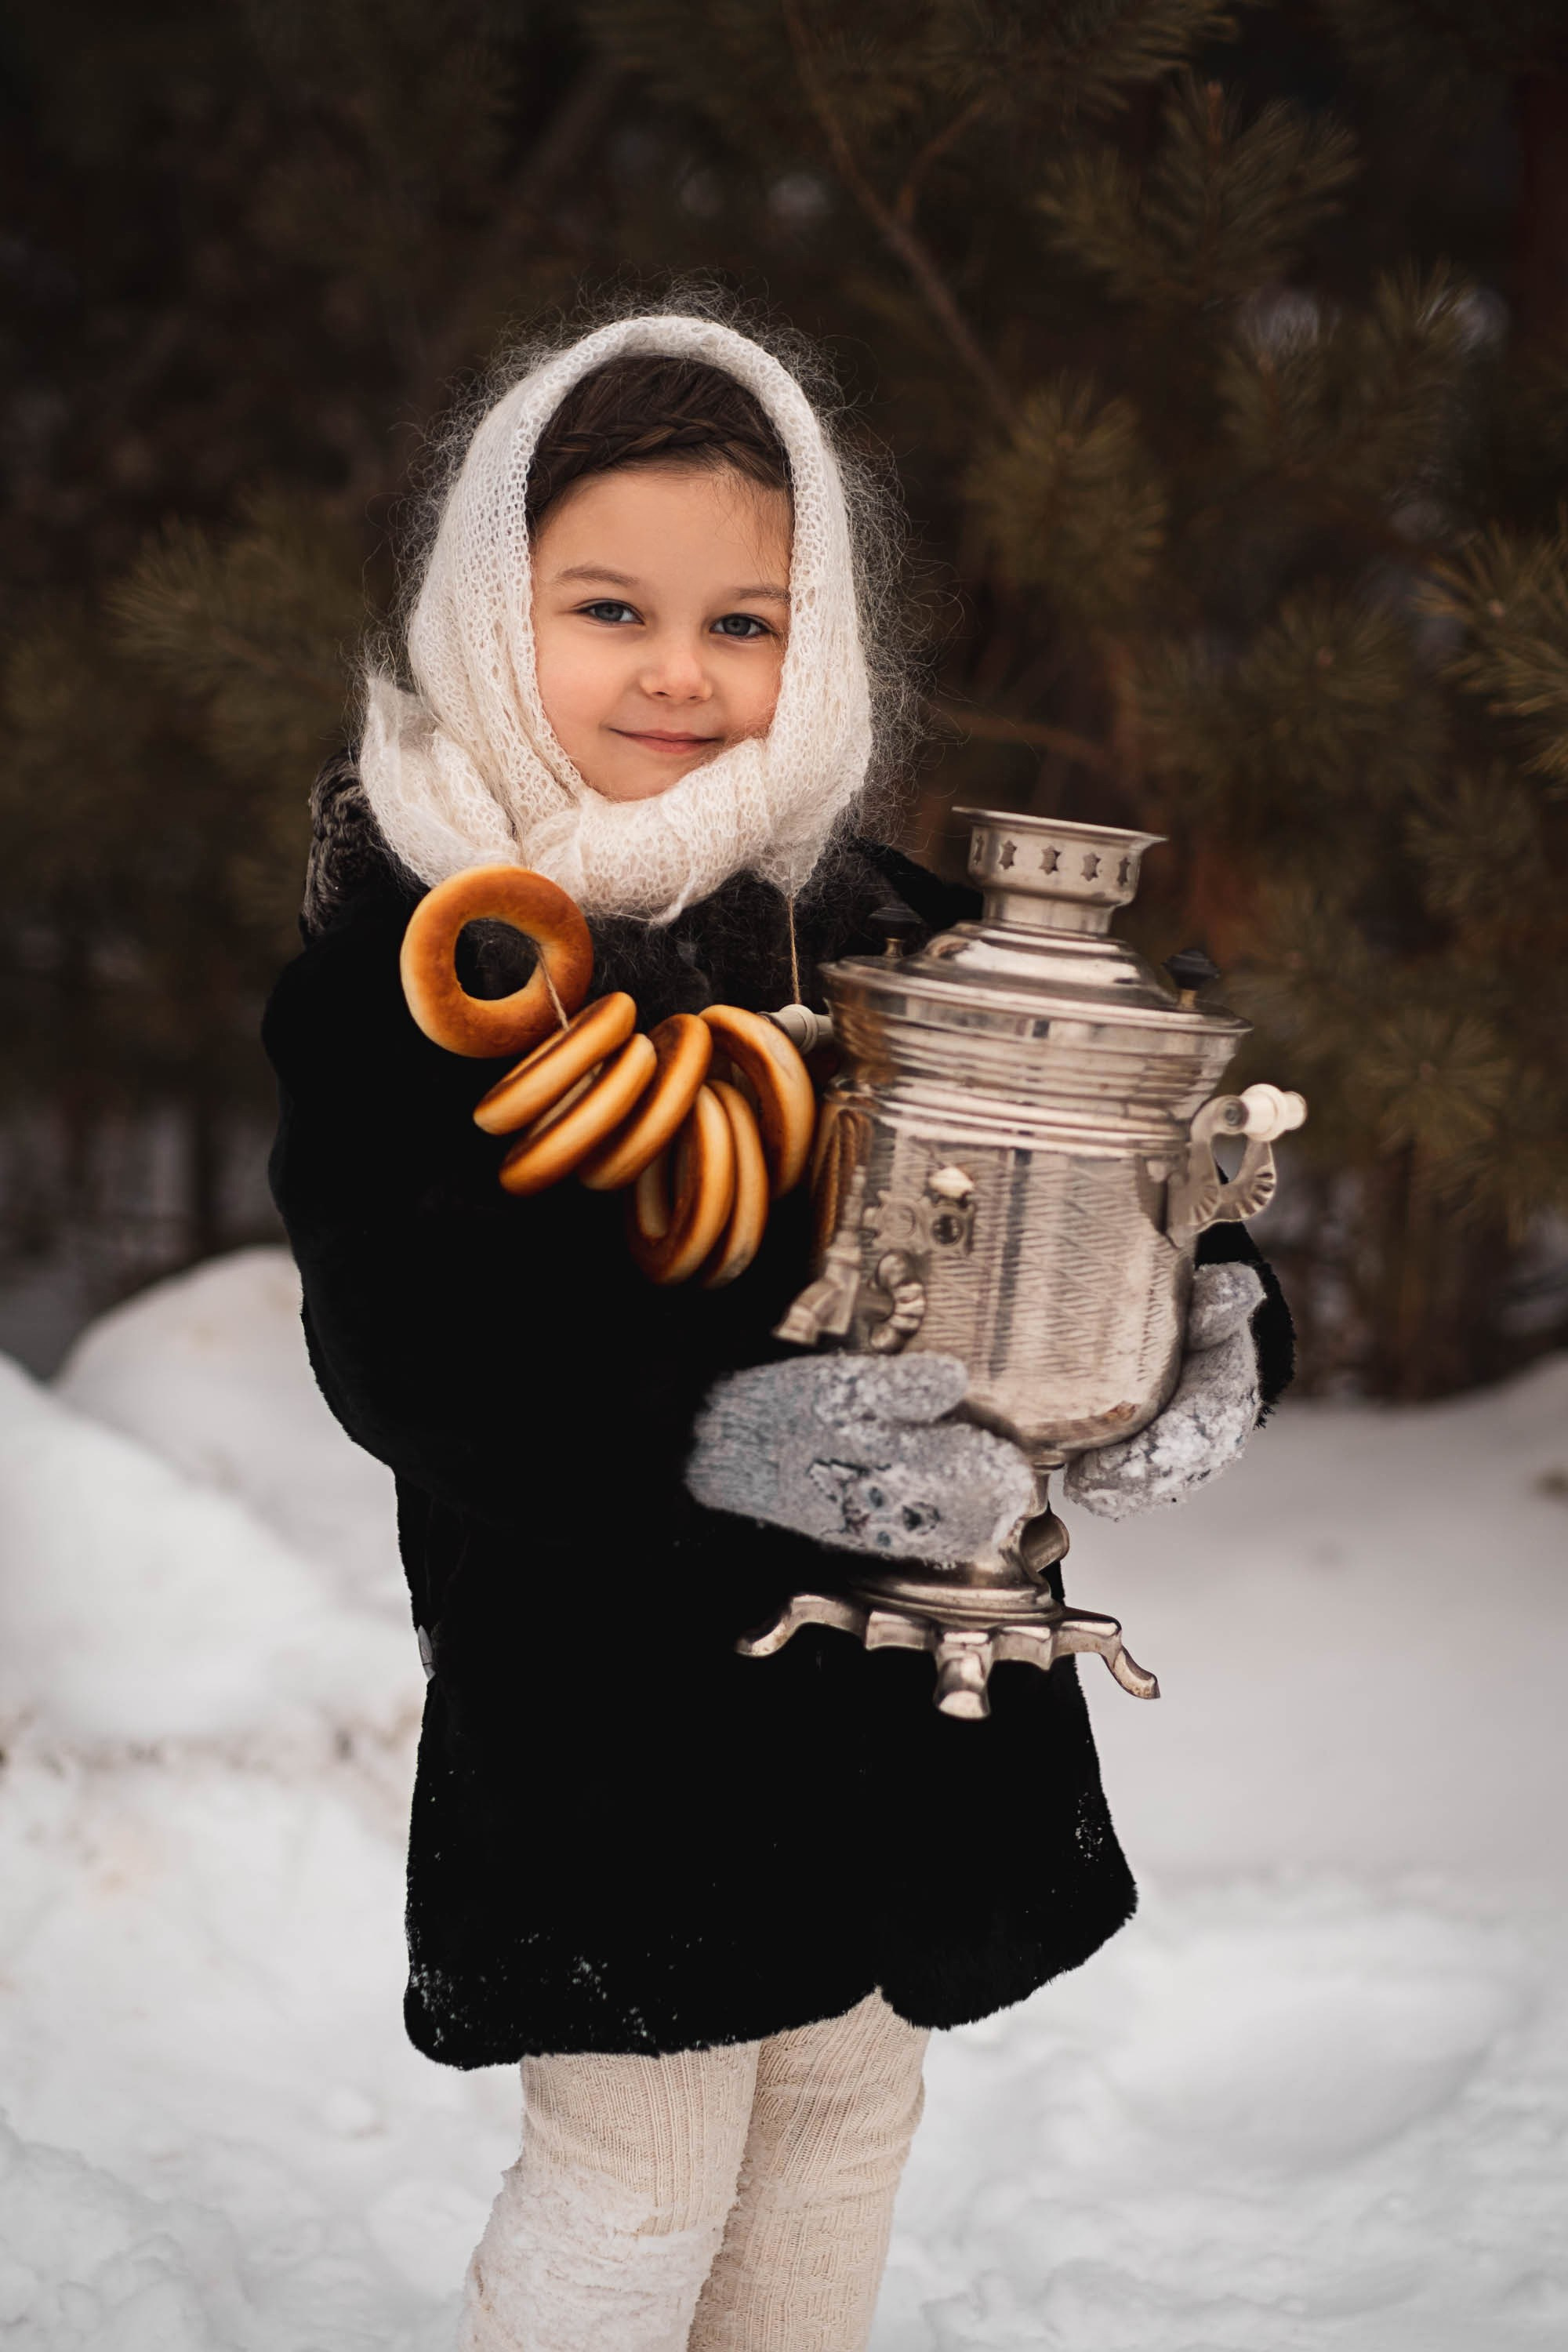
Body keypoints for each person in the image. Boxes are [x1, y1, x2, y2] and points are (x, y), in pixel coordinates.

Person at [263, 304, 1293, 2352]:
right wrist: (721, 1435)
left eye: (746, 621)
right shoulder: (425, 953)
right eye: (612, 606)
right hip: (608, 1693)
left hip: (901, 1673)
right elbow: (414, 1347)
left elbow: (1119, 1156)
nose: (679, 670)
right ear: (494, 608)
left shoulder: (878, 920)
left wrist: (1215, 1310)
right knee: (640, 2163)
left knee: (843, 2100)